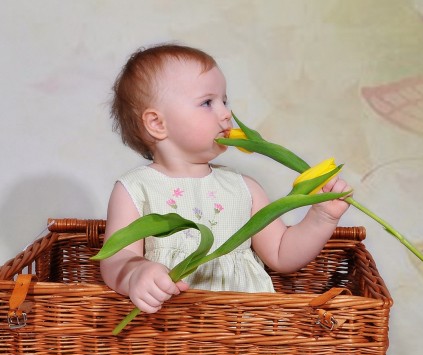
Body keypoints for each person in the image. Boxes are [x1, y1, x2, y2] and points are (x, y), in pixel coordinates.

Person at [100, 43, 351, 314]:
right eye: (207, 102)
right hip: (170, 333)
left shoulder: (244, 188)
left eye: (224, 100)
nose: (226, 113)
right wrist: (136, 273)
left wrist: (322, 217)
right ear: (158, 124)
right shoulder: (136, 189)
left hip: (245, 331)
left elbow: (281, 253)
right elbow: (116, 257)